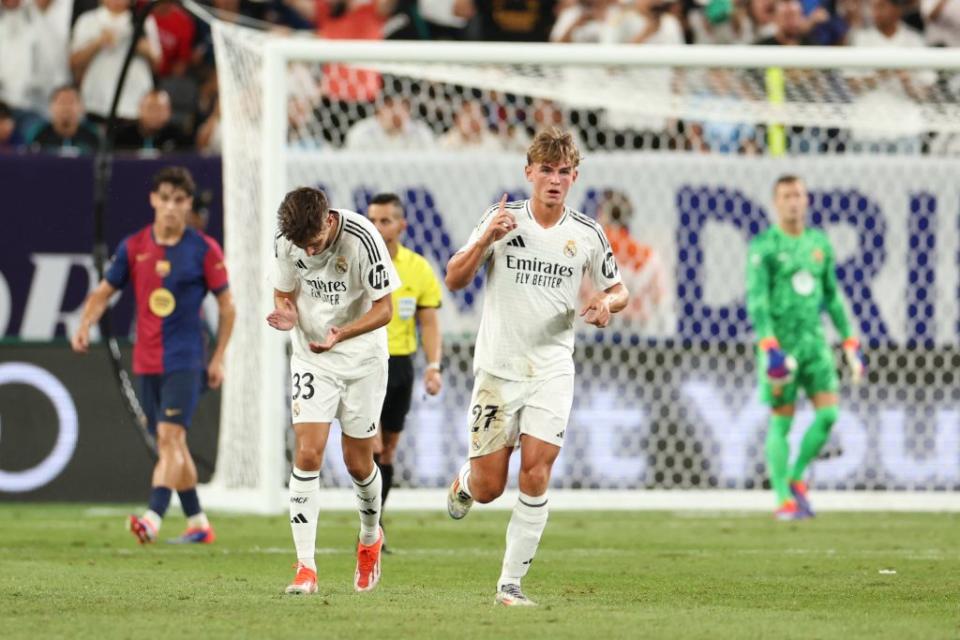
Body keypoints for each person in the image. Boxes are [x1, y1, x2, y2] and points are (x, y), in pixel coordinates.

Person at [444, 127, 629, 606]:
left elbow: (619, 288)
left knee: (536, 473)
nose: (554, 180)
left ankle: (510, 584)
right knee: (489, 488)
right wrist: (487, 235)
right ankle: (466, 481)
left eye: (563, 172)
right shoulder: (502, 220)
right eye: (545, 170)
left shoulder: (587, 233)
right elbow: (455, 278)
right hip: (498, 370)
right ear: (529, 173)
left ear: (574, 177)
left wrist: (608, 303)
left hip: (552, 369)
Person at [71, 166, 236, 544]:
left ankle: (152, 518)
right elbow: (102, 293)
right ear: (153, 201)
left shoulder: (204, 250)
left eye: (179, 200)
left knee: (169, 437)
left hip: (186, 361)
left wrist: (219, 357)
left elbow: (228, 308)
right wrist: (84, 325)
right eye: (165, 199)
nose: (171, 207)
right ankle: (197, 523)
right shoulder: (135, 246)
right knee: (170, 443)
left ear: (189, 204)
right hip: (146, 361)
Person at [267, 186, 399, 595]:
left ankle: (369, 537)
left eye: (315, 244)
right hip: (312, 357)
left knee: (358, 463)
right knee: (307, 452)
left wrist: (342, 333)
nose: (308, 252)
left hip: (361, 358)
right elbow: (284, 291)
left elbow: (385, 309)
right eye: (300, 246)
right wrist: (288, 313)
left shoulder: (363, 238)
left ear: (328, 221)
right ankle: (305, 568)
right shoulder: (287, 240)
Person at [746, 174, 865, 521]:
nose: (793, 201)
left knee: (829, 414)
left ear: (807, 200)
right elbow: (757, 300)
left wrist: (849, 339)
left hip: (815, 343)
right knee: (781, 420)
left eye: (798, 194)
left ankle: (797, 477)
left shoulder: (820, 244)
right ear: (776, 202)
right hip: (780, 346)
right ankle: (783, 498)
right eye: (786, 196)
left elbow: (833, 296)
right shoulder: (764, 246)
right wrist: (768, 344)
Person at [366, 192, 443, 550]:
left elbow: (428, 323)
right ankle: (370, 531)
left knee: (389, 451)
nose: (379, 228)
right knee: (373, 445)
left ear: (402, 225)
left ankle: (373, 526)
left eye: (386, 221)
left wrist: (433, 366)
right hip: (367, 362)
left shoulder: (418, 268)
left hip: (402, 364)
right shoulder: (358, 262)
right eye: (374, 220)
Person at [27, 85, 101, 154]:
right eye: (62, 102)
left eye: (71, 102)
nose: (66, 107)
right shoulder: (39, 137)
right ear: (51, 107)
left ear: (82, 108)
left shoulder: (93, 139)